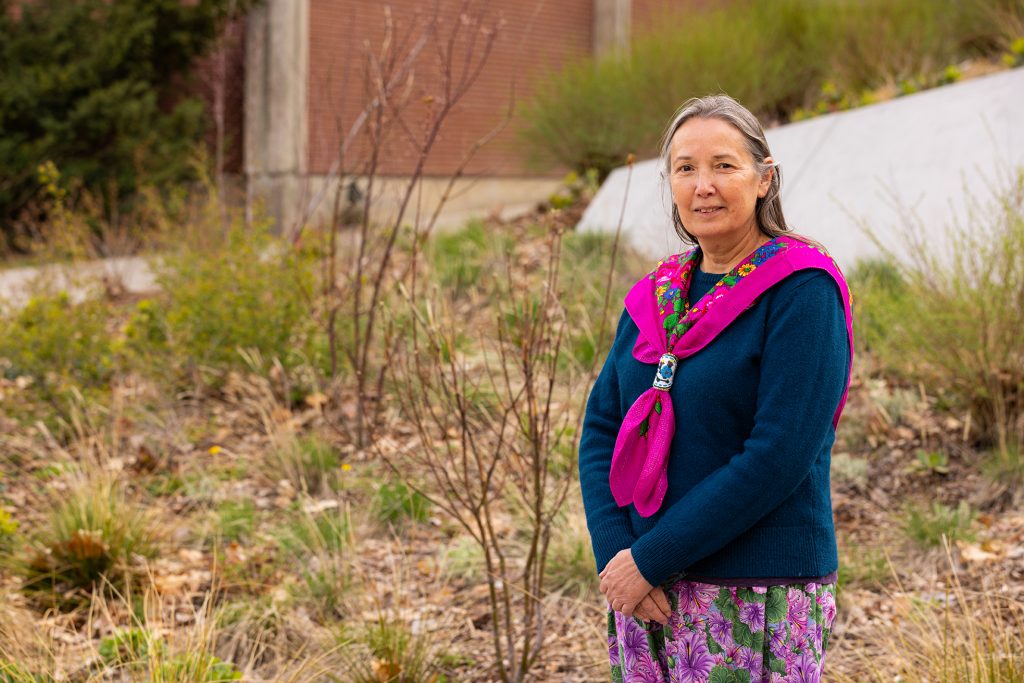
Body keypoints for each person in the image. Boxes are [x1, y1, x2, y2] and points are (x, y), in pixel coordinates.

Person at [579, 94, 853, 683]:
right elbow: (602, 424)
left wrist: (651, 558)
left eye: (724, 165)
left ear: (763, 178)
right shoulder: (657, 295)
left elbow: (778, 455)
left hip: (754, 594)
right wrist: (616, 556)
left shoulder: (802, 291)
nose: (703, 184)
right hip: (644, 592)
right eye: (685, 168)